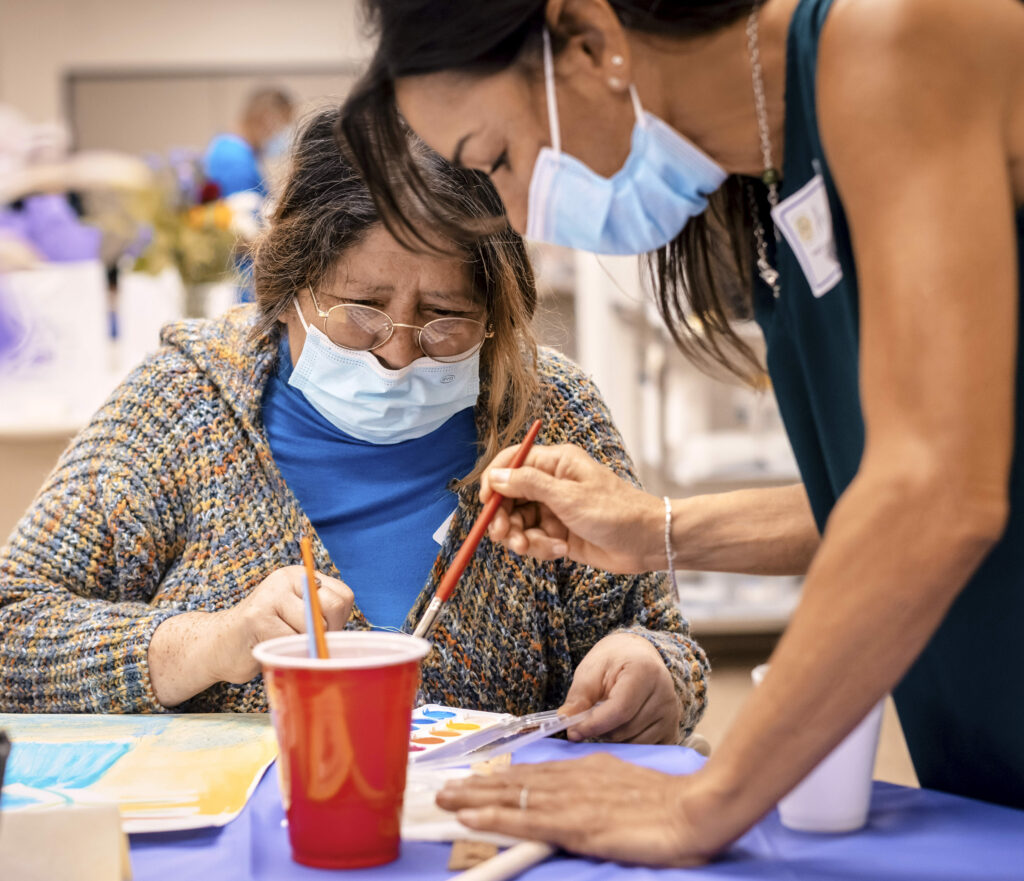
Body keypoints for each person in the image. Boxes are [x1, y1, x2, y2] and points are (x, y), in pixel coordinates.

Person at [338, 0, 1024, 865]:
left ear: (589, 39)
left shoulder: (890, 39)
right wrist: (658, 529)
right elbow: (895, 494)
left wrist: (706, 799)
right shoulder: (766, 176)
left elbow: (934, 497)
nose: (514, 214)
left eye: (499, 161)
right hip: (981, 750)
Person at [0, 107, 708, 748]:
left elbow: (662, 640)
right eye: (361, 309)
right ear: (285, 289)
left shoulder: (549, 413)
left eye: (445, 320)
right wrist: (210, 642)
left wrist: (657, 672)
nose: (398, 353)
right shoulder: (184, 404)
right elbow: (12, 632)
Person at [203, 87, 295, 198]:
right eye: (283, 126)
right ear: (267, 119)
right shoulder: (234, 157)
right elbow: (245, 209)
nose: (283, 135)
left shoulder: (241, 151)